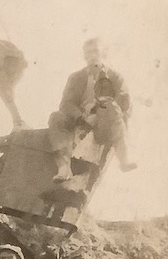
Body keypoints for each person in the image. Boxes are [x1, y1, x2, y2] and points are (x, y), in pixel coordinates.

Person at [49, 37, 135, 182]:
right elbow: (66, 104)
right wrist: (83, 116)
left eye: (96, 51)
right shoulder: (76, 77)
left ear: (104, 53)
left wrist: (100, 111)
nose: (92, 56)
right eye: (88, 53)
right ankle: (64, 167)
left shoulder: (115, 77)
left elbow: (124, 103)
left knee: (112, 107)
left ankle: (124, 158)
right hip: (81, 121)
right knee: (56, 117)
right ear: (84, 56)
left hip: (105, 125)